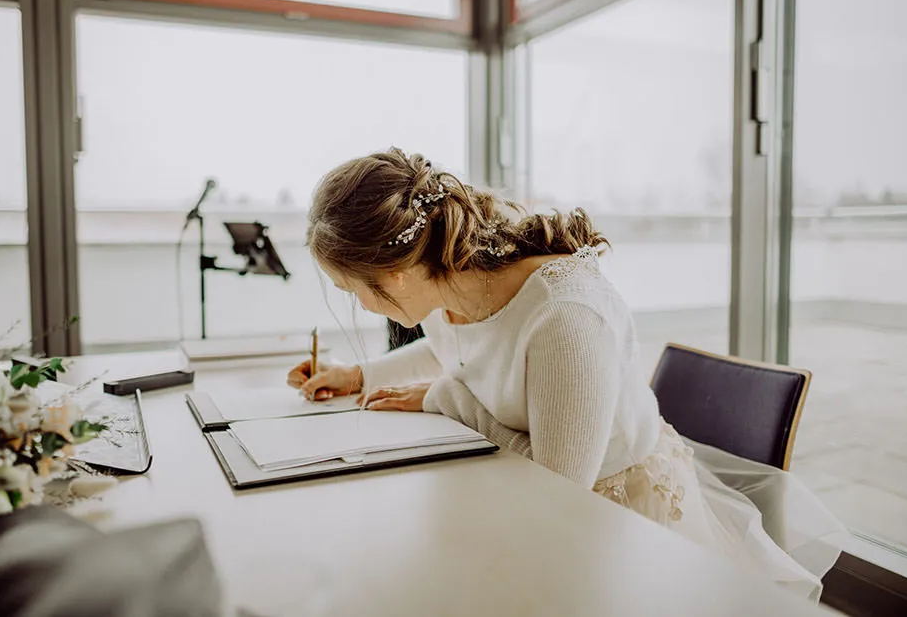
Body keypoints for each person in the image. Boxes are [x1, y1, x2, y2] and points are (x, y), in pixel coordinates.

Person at [287, 148, 843, 600]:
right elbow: (458, 350)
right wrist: (356, 375)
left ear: (396, 274)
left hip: (610, 514)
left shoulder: (564, 316)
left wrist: (444, 400)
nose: (358, 306)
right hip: (516, 482)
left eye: (350, 290)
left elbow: (558, 490)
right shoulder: (451, 283)